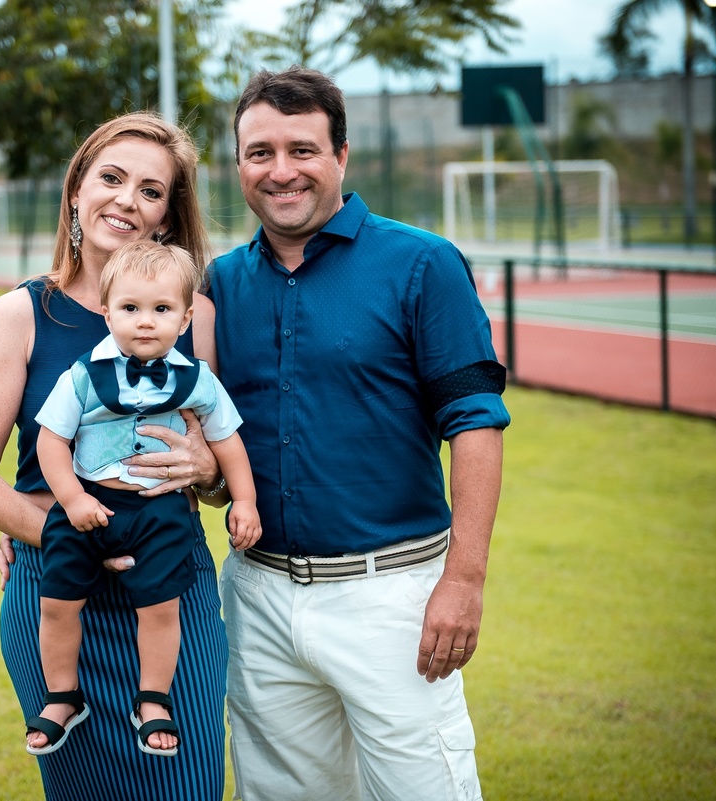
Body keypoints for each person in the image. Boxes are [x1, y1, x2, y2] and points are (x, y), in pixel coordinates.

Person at [205, 67, 510, 801]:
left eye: (302, 149)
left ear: (342, 155)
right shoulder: (217, 285)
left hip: (392, 598)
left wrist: (463, 579)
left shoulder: (423, 263)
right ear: (239, 165)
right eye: (260, 152)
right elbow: (205, 448)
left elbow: (476, 420)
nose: (282, 171)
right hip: (259, 596)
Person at [0, 112, 228, 801]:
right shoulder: (24, 313)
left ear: (167, 216)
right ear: (76, 190)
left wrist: (207, 469)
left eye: (152, 191)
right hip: (59, 584)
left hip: (170, 575)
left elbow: (214, 469)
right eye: (111, 178)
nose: (128, 200)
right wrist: (58, 529)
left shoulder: (198, 317)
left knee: (186, 782)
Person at [26, 240, 260, 758]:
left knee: (160, 606)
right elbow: (51, 441)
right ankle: (62, 696)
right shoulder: (84, 376)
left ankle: (152, 699)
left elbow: (227, 443)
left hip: (160, 510)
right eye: (131, 308)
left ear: (186, 317)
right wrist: (71, 500)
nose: (146, 321)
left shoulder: (198, 381)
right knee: (59, 600)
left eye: (162, 309)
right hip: (88, 502)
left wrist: (243, 501)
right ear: (107, 312)